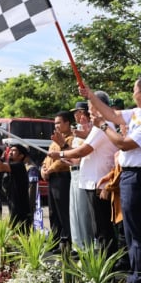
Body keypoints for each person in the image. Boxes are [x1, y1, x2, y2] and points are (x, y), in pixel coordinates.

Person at [80, 74, 141, 283]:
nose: (133, 94)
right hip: (129, 176)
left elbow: (124, 143)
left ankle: (140, 281)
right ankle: (134, 276)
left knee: (138, 233)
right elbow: (112, 114)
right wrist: (90, 95)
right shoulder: (139, 112)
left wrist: (103, 126)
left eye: (134, 90)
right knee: (130, 232)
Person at [47, 91, 118, 255]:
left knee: (102, 229)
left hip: (99, 183)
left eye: (91, 105)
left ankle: (107, 264)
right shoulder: (100, 126)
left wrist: (61, 152)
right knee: (97, 228)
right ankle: (103, 261)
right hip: (92, 182)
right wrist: (64, 148)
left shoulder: (102, 126)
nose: (89, 110)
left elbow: (82, 151)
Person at [41, 111, 75, 252]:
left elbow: (64, 160)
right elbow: (48, 157)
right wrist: (43, 168)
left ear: (67, 123)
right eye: (55, 123)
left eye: (59, 122)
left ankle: (66, 240)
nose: (56, 125)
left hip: (63, 177)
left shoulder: (71, 139)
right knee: (53, 211)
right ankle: (55, 240)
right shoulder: (55, 140)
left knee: (63, 211)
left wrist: (50, 170)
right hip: (52, 178)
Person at [0, 144, 32, 229]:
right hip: (13, 208)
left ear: (21, 156)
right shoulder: (10, 166)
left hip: (21, 210)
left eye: (14, 150)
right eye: (10, 150)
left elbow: (0, 166)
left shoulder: (19, 165)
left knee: (20, 238)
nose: (10, 152)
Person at [68, 101, 94, 250]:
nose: (76, 116)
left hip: (84, 171)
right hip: (73, 170)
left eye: (79, 112)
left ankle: (87, 246)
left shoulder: (92, 129)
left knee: (84, 212)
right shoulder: (77, 131)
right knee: (75, 211)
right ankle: (77, 245)